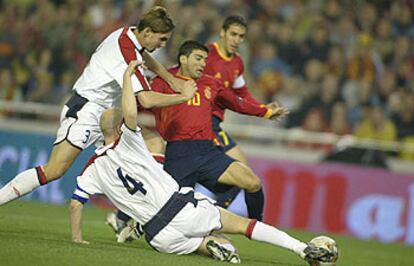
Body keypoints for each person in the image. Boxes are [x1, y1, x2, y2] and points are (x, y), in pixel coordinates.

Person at [69, 60, 333, 266]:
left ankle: (211, 244)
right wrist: (127, 77)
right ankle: (301, 248)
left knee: (204, 243)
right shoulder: (129, 141)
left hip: (159, 237)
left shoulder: (91, 167)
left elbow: (75, 203)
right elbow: (131, 111)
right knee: (243, 226)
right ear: (119, 128)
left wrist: (77, 240)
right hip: (181, 209)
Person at [0, 6, 196, 205]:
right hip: (85, 110)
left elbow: (145, 57)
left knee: (153, 143)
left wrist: (171, 80)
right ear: (147, 32)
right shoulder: (126, 51)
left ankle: (140, 212)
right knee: (54, 170)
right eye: (162, 39)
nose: (163, 45)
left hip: (107, 115)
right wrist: (183, 96)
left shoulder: (128, 33)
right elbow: (145, 99)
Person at [150, 40, 288, 222]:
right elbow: (144, 101)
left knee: (252, 182)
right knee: (162, 209)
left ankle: (257, 226)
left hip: (207, 152)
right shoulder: (163, 81)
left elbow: (237, 102)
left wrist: (265, 111)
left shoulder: (211, 84)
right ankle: (131, 222)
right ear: (183, 59)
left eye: (205, 60)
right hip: (179, 153)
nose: (203, 64)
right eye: (198, 58)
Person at [203, 15, 280, 209]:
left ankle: (212, 216)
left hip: (214, 124)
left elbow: (242, 92)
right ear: (222, 32)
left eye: (241, 36)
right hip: (200, 120)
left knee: (242, 173)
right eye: (233, 34)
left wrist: (264, 108)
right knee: (240, 175)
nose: (237, 40)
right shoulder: (207, 54)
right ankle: (212, 217)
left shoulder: (237, 62)